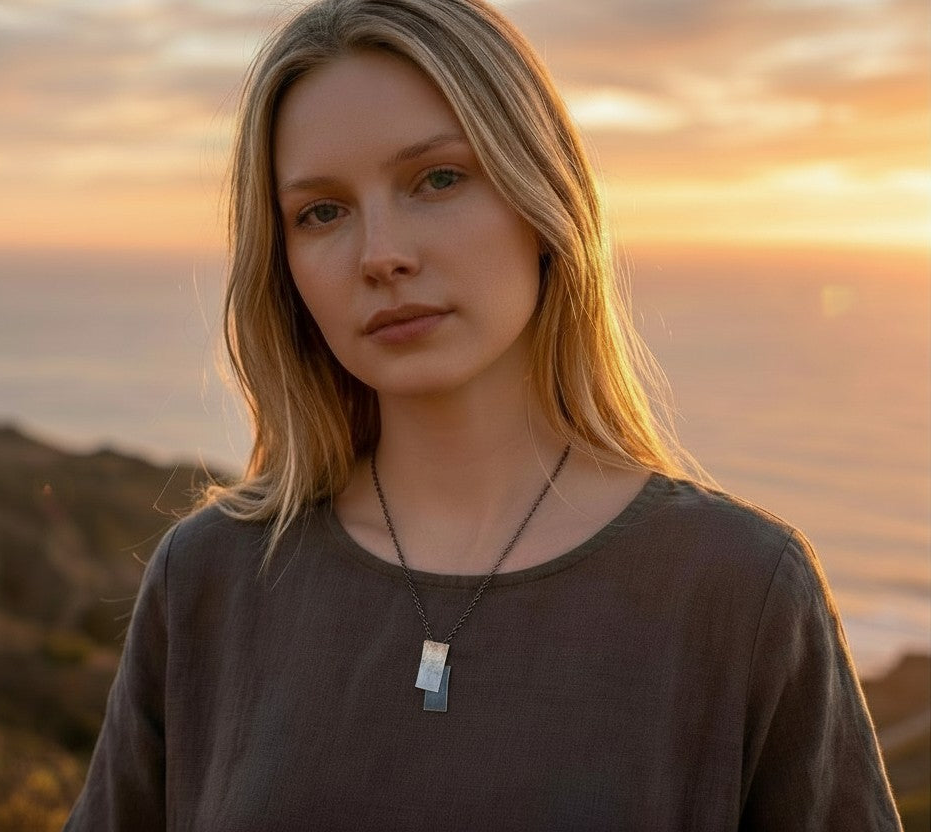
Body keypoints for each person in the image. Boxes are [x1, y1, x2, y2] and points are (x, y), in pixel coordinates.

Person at [64, 0, 901, 828]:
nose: (382, 253)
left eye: (438, 178)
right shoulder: (210, 580)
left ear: (541, 199)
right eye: (322, 211)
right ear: (283, 266)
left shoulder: (740, 591)